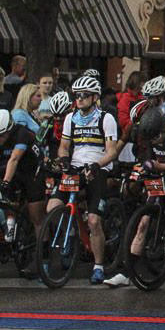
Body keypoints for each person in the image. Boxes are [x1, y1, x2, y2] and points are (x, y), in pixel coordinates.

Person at [51, 74, 120, 284]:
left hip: (98, 168)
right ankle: (71, 233)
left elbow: (112, 151)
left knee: (93, 220)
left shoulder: (105, 118)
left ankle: (98, 266)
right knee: (52, 208)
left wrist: (97, 164)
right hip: (75, 167)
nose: (79, 99)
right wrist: (63, 160)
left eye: (84, 95)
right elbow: (64, 146)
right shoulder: (70, 118)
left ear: (94, 97)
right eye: (77, 96)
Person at [0, 108, 46, 230]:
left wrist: (6, 182)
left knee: (36, 217)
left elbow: (14, 159)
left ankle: (43, 247)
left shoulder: (22, 134)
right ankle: (10, 215)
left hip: (32, 170)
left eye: (0, 136)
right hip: (13, 169)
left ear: (9, 130)